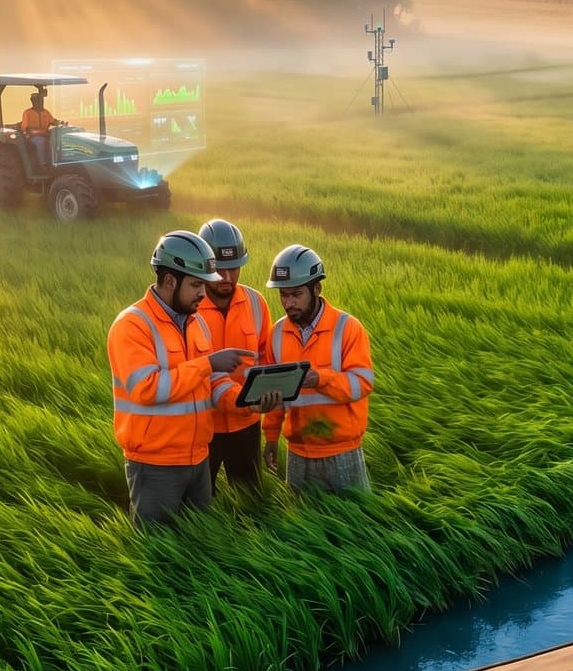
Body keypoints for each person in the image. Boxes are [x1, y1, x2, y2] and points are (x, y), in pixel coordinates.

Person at [107, 230, 278, 526]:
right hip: (156, 466)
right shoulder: (133, 326)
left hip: (198, 459)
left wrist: (248, 402)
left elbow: (212, 383)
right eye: (197, 284)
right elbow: (147, 388)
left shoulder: (195, 322)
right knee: (158, 552)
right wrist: (208, 363)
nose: (204, 293)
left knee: (198, 548)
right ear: (170, 281)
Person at [261, 244, 375, 493]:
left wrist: (320, 378)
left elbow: (363, 383)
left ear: (316, 289)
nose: (289, 303)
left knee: (355, 525)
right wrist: (271, 435)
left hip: (342, 451)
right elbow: (276, 391)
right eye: (283, 295)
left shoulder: (348, 328)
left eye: (296, 294)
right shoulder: (277, 334)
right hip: (298, 454)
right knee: (304, 526)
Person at [196, 218, 273, 490]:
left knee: (250, 501)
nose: (227, 278)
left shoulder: (255, 302)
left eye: (234, 268)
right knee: (198, 507)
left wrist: (268, 391)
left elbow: (266, 357)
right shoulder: (187, 309)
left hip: (247, 424)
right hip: (203, 428)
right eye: (219, 270)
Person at [19, 91, 63, 171]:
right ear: (32, 101)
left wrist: (61, 123)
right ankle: (42, 165)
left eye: (41, 100)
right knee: (40, 142)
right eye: (37, 100)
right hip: (32, 137)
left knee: (57, 141)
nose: (40, 102)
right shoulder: (27, 113)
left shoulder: (46, 112)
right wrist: (39, 133)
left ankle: (57, 162)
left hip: (45, 135)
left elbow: (53, 121)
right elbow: (25, 128)